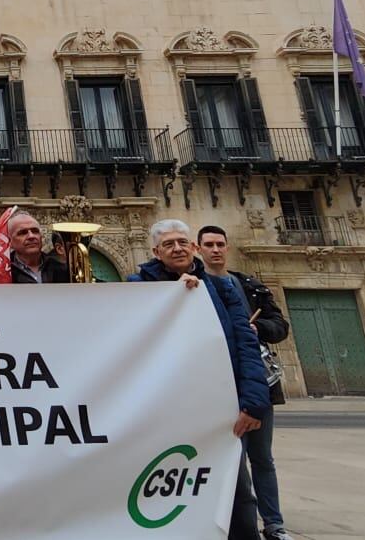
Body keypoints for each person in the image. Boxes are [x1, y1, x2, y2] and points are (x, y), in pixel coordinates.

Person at [129, 219, 270, 540]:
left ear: (193, 247)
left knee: (236, 489)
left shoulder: (220, 288)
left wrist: (254, 401)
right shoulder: (137, 286)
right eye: (168, 244)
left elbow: (246, 344)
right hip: (166, 409)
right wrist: (172, 293)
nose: (177, 248)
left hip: (219, 406)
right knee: (167, 485)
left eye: (182, 242)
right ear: (156, 252)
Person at [200, 225, 294, 540]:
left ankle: (274, 524)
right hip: (221, 386)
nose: (215, 250)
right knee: (233, 464)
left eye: (220, 244)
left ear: (227, 247)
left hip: (258, 384)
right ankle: (241, 524)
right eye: (209, 245)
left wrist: (258, 329)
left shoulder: (250, 286)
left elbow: (280, 326)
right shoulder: (194, 286)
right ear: (199, 249)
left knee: (262, 459)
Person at [7, 211, 71, 284]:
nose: (31, 236)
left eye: (35, 231)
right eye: (23, 233)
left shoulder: (62, 270)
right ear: (9, 241)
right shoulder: (2, 272)